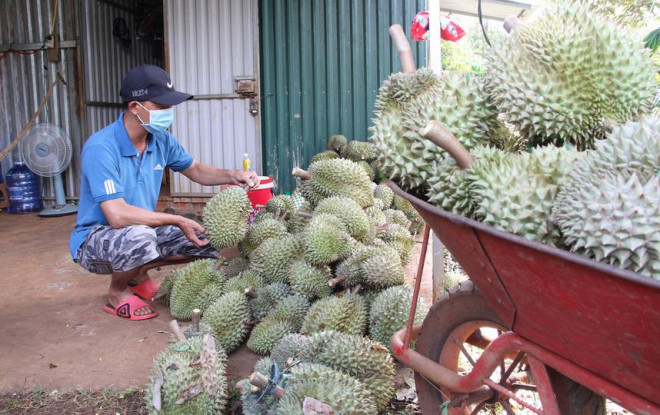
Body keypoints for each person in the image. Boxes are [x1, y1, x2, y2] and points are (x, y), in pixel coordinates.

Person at [69, 64, 259, 321]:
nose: (168, 113)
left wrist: (232, 174)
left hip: (138, 229)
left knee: (209, 240)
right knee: (141, 237)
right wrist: (177, 219)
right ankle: (117, 292)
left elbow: (195, 169)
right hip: (93, 240)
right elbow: (117, 216)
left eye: (169, 107)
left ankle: (137, 274)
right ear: (135, 107)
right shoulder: (101, 147)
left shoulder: (161, 140)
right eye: (161, 107)